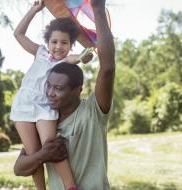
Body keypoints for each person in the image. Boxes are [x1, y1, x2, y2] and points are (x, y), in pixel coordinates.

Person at [13, 0, 115, 189]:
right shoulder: (42, 119)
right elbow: (19, 169)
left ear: (77, 90)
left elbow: (107, 68)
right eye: (48, 86)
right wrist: (44, 154)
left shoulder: (92, 114)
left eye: (58, 88)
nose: (50, 93)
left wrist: (98, 10)